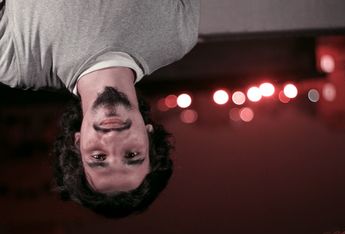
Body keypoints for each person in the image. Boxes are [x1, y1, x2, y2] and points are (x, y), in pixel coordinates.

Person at [0, 0, 200, 218]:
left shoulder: (15, 63)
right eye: (131, 154)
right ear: (149, 135)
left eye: (99, 157)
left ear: (77, 143)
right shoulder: (177, 36)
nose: (113, 139)